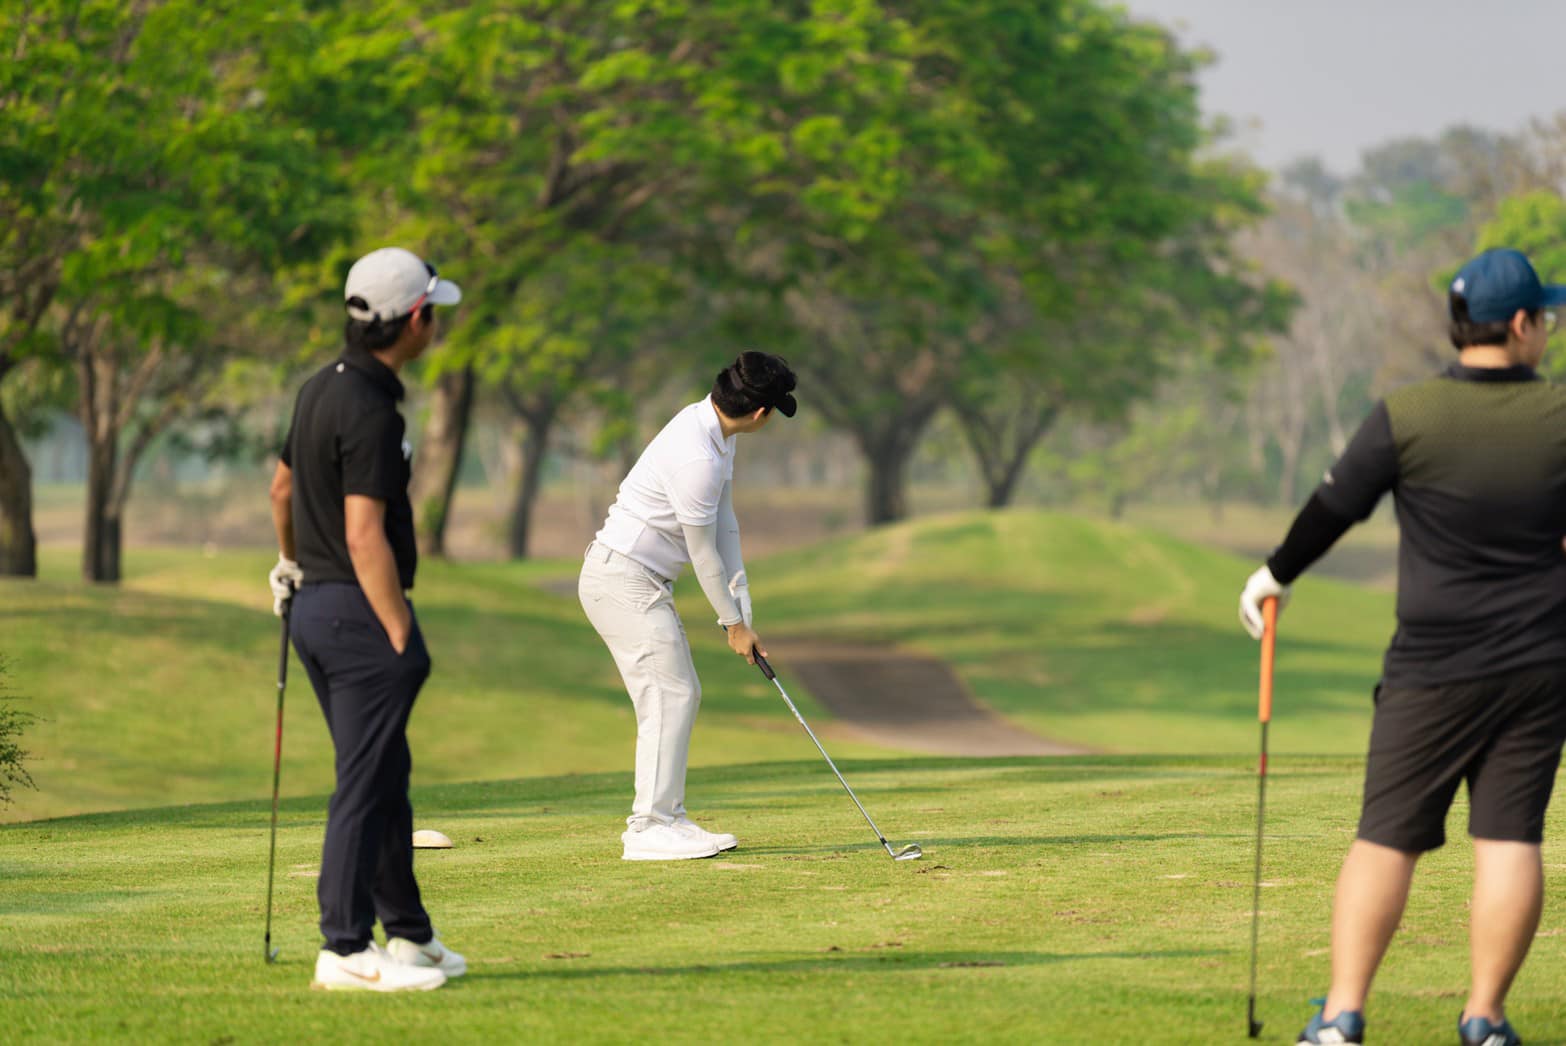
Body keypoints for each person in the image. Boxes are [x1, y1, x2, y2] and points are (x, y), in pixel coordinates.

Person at [1238, 248, 1566, 1046]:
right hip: (1539, 665)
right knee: (1510, 840)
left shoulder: (1406, 414)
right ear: (1520, 325)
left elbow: (1331, 509)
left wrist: (1273, 575)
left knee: (1385, 838)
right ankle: (1485, 1020)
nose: (1548, 333)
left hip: (1431, 668)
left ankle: (1343, 1017)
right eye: (1546, 320)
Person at [267, 247, 468, 992]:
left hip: (315, 607)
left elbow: (281, 490)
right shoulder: (373, 411)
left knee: (386, 774)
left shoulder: (321, 388)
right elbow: (363, 533)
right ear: (414, 320)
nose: (436, 323)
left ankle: (408, 935)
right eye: (433, 312)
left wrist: (293, 566)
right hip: (357, 615)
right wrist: (398, 632)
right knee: (363, 781)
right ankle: (346, 947)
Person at [580, 351, 797, 860]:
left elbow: (725, 528)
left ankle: (668, 819)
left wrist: (744, 613)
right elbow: (702, 555)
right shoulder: (697, 456)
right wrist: (730, 625)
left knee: (679, 692)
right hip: (622, 578)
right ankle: (648, 826)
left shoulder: (714, 435)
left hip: (638, 578)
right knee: (670, 693)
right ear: (761, 412)